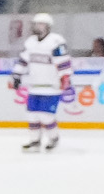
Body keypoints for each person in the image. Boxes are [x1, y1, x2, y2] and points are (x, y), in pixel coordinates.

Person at [12, 12, 72, 152]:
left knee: (46, 116)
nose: (37, 27)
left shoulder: (56, 41)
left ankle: (53, 137)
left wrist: (65, 77)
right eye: (36, 24)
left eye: (41, 24)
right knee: (32, 115)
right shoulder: (30, 42)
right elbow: (23, 60)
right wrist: (17, 75)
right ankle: (34, 141)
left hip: (51, 86)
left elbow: (63, 62)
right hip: (35, 85)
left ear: (48, 26)